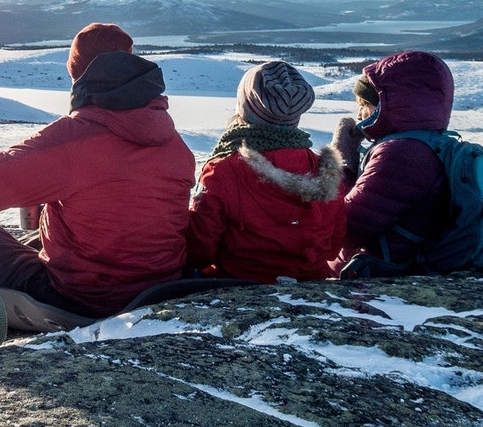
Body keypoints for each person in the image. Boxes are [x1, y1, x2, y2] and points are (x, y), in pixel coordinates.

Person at [0, 23, 196, 317]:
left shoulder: (74, 137)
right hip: (158, 287)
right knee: (58, 227)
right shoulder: (171, 139)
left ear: (78, 73)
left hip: (82, 298)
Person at [183, 60, 345, 282]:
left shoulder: (224, 170)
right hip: (310, 284)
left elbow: (200, 248)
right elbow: (332, 247)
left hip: (237, 284)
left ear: (246, 106)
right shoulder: (325, 170)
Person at [328, 50, 454, 275]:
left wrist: (342, 162)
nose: (359, 114)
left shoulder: (401, 153)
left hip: (375, 273)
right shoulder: (431, 144)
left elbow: (345, 227)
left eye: (363, 104)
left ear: (387, 105)